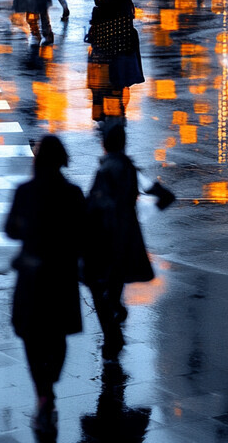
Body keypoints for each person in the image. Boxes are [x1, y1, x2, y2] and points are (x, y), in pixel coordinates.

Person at [4, 136, 85, 437]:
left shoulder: (24, 192)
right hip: (61, 276)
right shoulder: (73, 193)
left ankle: (43, 392)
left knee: (32, 336)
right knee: (58, 333)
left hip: (32, 276)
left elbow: (10, 229)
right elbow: (84, 232)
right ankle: (49, 384)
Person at [84, 126, 154, 361]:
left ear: (105, 143)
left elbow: (96, 204)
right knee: (114, 282)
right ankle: (115, 316)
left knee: (97, 283)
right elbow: (160, 195)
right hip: (126, 233)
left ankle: (112, 333)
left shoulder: (106, 169)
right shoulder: (128, 166)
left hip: (107, 235)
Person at [86, 0, 144, 122]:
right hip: (121, 51)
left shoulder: (100, 8)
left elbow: (93, 32)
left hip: (104, 52)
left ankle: (99, 101)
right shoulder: (125, 9)